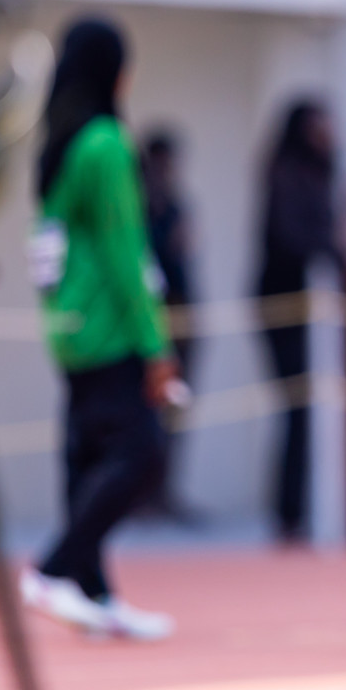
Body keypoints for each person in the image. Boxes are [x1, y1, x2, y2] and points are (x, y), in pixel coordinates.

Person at [21, 17, 178, 641]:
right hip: (110, 327)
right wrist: (156, 345)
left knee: (88, 458)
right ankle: (55, 568)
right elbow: (124, 250)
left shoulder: (60, 143)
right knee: (142, 452)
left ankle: (94, 592)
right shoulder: (107, 142)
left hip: (68, 324)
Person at [254, 99, 346, 542]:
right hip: (284, 303)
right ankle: (290, 513)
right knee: (298, 407)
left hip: (309, 305)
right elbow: (296, 238)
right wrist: (336, 252)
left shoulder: (317, 173)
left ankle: (301, 509)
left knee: (308, 409)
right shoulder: (288, 174)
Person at [138, 128, 199, 519]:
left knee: (175, 410)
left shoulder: (175, 204)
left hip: (182, 310)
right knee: (149, 411)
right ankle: (143, 494)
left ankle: (164, 491)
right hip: (155, 317)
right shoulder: (143, 208)